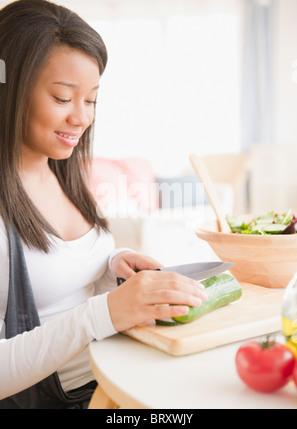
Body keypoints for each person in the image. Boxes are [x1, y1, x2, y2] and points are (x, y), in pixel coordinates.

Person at [0, 0, 207, 408]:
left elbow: (65, 279)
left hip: (117, 380)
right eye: (63, 98)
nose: (81, 118)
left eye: (91, 100)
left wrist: (112, 264)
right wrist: (106, 312)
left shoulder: (61, 170)